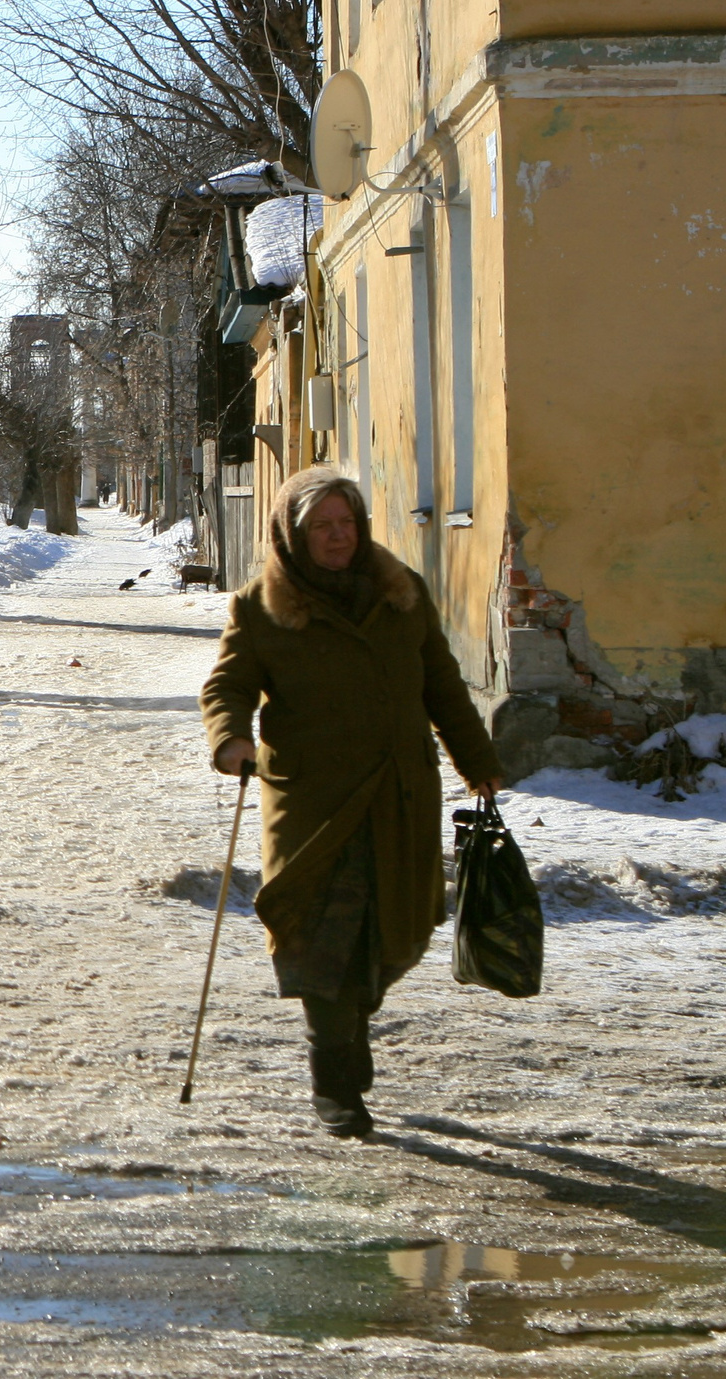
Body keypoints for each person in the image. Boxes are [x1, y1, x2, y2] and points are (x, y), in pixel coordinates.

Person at [200, 467, 503, 1138]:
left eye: (347, 524)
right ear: (293, 535)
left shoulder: (402, 593)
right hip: (312, 801)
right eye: (322, 527)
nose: (338, 537)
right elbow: (227, 686)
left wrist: (477, 762)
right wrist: (230, 742)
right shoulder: (262, 606)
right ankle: (334, 1078)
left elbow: (444, 684)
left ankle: (352, 1022)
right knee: (319, 940)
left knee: (399, 934)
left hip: (398, 794)